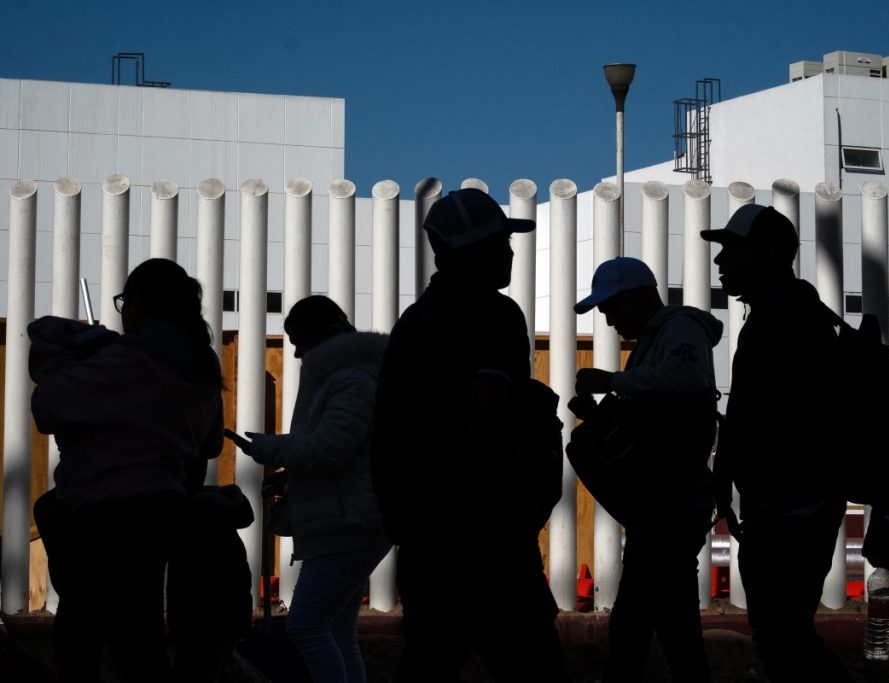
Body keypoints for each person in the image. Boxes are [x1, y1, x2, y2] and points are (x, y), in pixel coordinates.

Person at [370, 188, 567, 682]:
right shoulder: (495, 315)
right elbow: (490, 418)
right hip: (491, 535)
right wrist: (523, 507)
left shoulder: (414, 324)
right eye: (502, 243)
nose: (511, 253)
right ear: (476, 252)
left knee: (429, 662)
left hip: (426, 539)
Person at [30, 258, 224, 683]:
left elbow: (47, 406)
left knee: (81, 628)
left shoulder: (127, 359)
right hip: (162, 507)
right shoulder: (201, 363)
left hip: (101, 510)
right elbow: (210, 444)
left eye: (124, 302)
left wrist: (65, 365)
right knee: (139, 630)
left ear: (139, 304)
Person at [701, 205, 851, 682]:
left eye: (731, 249)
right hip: (796, 504)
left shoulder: (782, 321)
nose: (720, 261)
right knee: (785, 633)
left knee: (782, 636)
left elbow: (759, 416)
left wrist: (727, 476)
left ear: (765, 254)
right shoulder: (795, 314)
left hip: (790, 508)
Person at [570, 257, 722, 683]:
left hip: (670, 507)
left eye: (611, 307)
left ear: (638, 296)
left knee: (637, 621)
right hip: (666, 505)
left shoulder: (679, 329)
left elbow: (686, 378)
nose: (608, 318)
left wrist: (612, 382)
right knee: (669, 619)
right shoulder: (659, 338)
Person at [229, 296, 390, 683]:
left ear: (325, 335)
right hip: (355, 521)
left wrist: (268, 448)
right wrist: (292, 476)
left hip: (346, 526)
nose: (297, 352)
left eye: (300, 341)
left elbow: (329, 450)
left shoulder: (349, 381)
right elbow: (347, 453)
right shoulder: (354, 376)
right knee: (337, 633)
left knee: (307, 626)